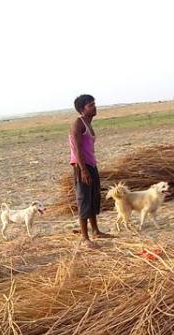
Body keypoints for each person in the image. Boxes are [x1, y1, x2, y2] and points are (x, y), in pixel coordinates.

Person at [69, 94, 114, 248]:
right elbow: (77, 149)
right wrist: (83, 170)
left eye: (94, 104)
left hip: (91, 165)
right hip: (82, 166)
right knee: (84, 199)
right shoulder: (78, 123)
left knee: (93, 197)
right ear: (82, 109)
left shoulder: (88, 123)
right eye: (90, 105)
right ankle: (84, 238)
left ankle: (95, 230)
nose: (94, 107)